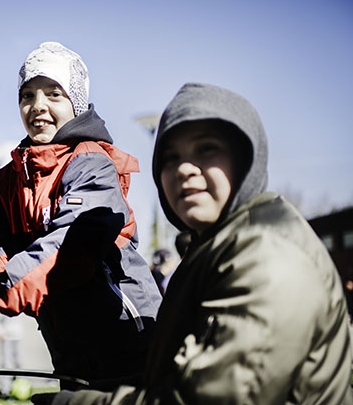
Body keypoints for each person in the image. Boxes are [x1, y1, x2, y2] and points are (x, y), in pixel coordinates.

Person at [37, 82, 353, 404]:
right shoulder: (211, 245)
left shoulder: (269, 256)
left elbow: (218, 397)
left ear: (244, 160)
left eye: (206, 149)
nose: (185, 169)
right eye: (170, 157)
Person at [0, 42, 162, 390]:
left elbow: (74, 243)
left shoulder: (90, 161)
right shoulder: (7, 180)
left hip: (126, 337)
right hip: (68, 346)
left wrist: (1, 285)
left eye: (54, 94)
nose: (38, 107)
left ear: (76, 104)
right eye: (27, 95)